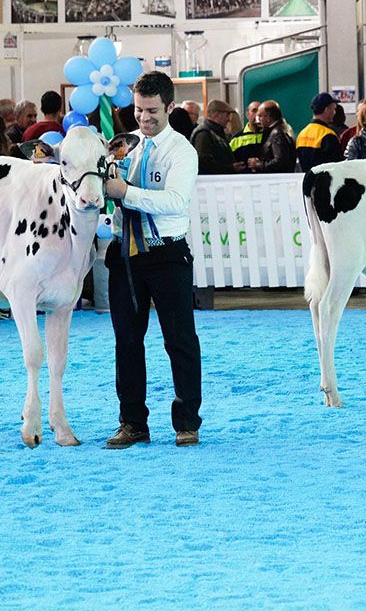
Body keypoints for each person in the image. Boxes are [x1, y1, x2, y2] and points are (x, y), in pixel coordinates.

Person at [102, 71, 202, 449]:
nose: (144, 118)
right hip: (124, 255)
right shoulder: (123, 146)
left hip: (167, 253)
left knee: (179, 340)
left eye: (152, 111)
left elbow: (175, 201)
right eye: (139, 110)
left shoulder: (182, 151)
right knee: (126, 341)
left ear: (170, 107)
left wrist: (126, 191)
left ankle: (187, 422)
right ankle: (132, 423)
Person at [296, 92, 344, 172]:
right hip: (324, 181)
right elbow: (337, 165)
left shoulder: (302, 134)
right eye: (333, 109)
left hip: (306, 181)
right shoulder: (328, 135)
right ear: (327, 109)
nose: (334, 112)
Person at [190, 99, 236, 175]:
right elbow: (203, 162)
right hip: (210, 183)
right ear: (217, 114)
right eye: (227, 115)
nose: (228, 119)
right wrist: (229, 168)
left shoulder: (216, 133)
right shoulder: (203, 133)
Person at [248, 100, 296, 173]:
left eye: (260, 116)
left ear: (268, 117)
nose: (258, 120)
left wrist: (259, 164)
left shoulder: (277, 134)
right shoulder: (280, 130)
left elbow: (280, 161)